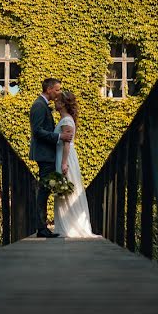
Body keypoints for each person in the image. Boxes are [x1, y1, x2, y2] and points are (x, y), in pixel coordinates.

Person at [29, 78, 74, 238]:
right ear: (48, 89)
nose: (59, 92)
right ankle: (41, 228)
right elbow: (38, 131)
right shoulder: (39, 106)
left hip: (48, 154)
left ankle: (42, 227)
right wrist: (59, 136)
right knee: (44, 190)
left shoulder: (43, 106)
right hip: (45, 155)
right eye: (57, 89)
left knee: (45, 190)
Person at [53, 90, 96, 237]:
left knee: (66, 189)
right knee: (64, 190)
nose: (55, 102)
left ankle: (70, 226)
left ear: (64, 104)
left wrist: (64, 163)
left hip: (66, 157)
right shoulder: (66, 119)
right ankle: (66, 225)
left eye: (58, 100)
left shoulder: (66, 121)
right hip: (63, 155)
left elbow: (66, 143)